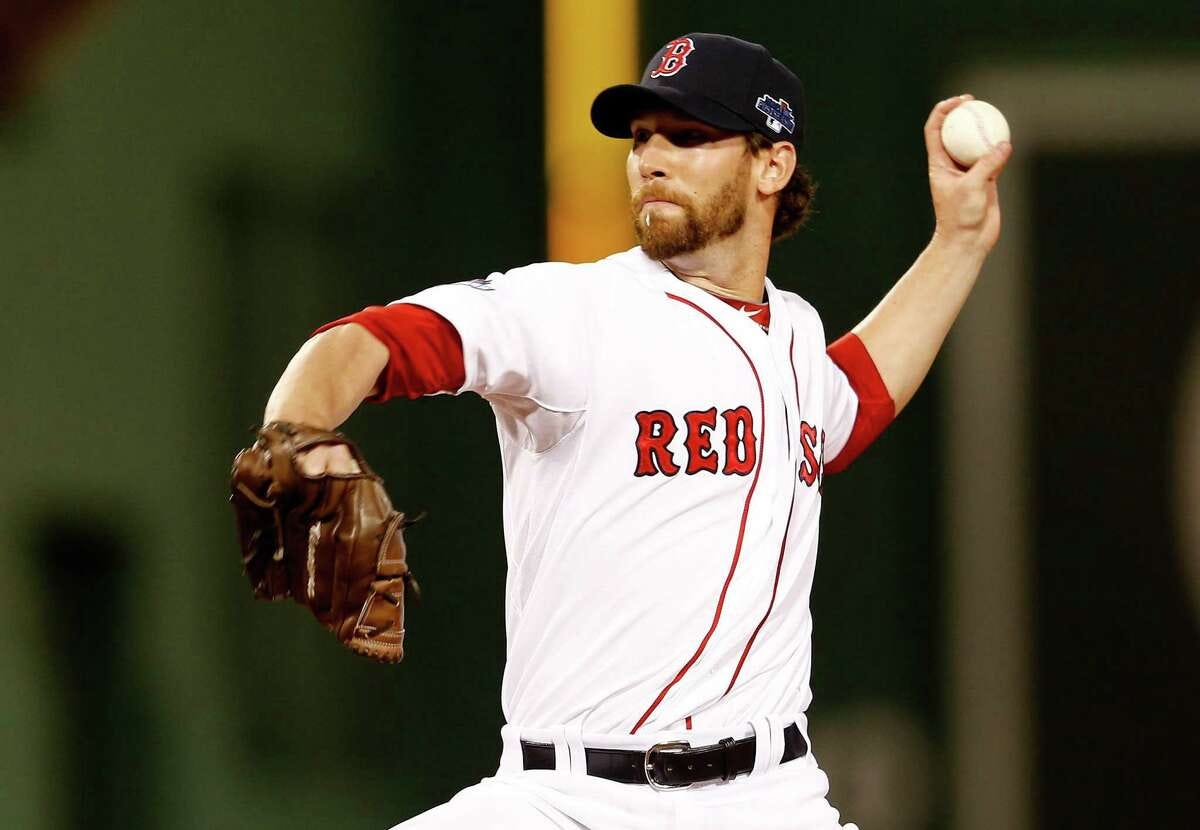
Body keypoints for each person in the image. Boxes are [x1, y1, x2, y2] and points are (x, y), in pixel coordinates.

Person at [260, 32, 1010, 830]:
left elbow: (843, 407)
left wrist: (960, 240)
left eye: (688, 137)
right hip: (567, 799)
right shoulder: (573, 311)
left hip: (769, 800)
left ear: (772, 166)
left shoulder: (792, 333)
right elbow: (367, 342)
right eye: (641, 137)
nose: (651, 157)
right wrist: (292, 433)